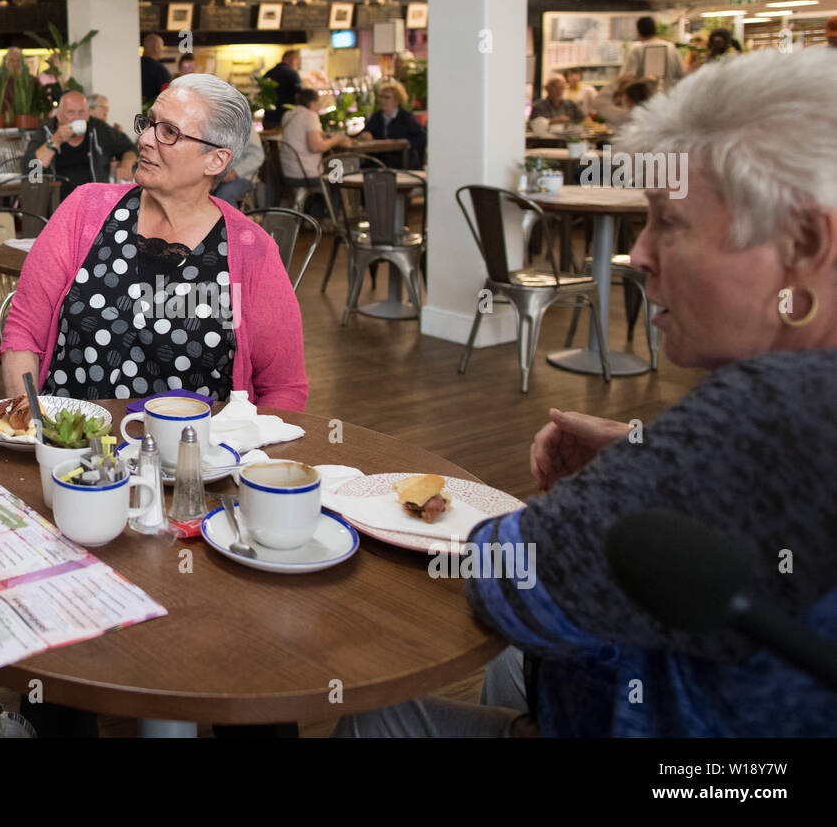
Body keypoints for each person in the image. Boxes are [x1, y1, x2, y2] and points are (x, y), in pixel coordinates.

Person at [334, 46, 837, 737]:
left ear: (806, 240)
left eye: (670, 221)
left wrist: (649, 472)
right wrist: (651, 453)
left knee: (375, 720)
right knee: (513, 672)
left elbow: (508, 584)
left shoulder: (773, 406)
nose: (641, 255)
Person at [2, 73, 308, 408]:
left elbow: (283, 387)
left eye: (168, 132)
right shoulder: (83, 209)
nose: (146, 139)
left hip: (194, 455)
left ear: (215, 160)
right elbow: (24, 333)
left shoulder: (253, 252)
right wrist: (30, 429)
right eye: (149, 124)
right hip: (71, 448)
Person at [24, 90, 137, 199]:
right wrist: (55, 141)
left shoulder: (98, 128)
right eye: (71, 112)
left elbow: (129, 148)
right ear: (59, 115)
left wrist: (126, 163)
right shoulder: (46, 131)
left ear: (88, 115)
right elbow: (31, 169)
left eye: (82, 112)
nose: (77, 117)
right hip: (57, 205)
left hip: (96, 202)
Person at [280, 88, 351, 187]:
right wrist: (338, 139)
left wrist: (323, 135)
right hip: (306, 174)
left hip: (289, 172)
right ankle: (333, 201)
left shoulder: (287, 115)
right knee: (340, 171)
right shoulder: (310, 115)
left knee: (333, 168)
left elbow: (300, 133)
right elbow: (316, 147)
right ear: (313, 103)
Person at [614, 15, 683, 104]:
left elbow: (626, 78)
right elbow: (681, 75)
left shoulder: (636, 49)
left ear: (638, 31)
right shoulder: (671, 48)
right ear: (655, 29)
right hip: (668, 102)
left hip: (642, 104)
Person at [358, 79, 427, 169]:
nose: (383, 100)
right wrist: (365, 135)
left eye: (387, 97)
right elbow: (366, 132)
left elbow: (421, 137)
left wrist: (406, 144)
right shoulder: (376, 117)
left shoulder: (406, 117)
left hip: (402, 163)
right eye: (381, 97)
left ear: (397, 101)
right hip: (379, 163)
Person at [212, 125, 264, 207]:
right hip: (217, 174)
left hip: (243, 176)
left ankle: (231, 219)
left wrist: (236, 171)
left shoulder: (245, 125)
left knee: (224, 194)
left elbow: (257, 156)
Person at [262, 49, 302, 130]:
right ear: (293, 60)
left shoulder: (269, 73)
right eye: (297, 60)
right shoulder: (292, 73)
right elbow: (299, 95)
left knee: (271, 141)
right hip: (286, 118)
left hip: (269, 118)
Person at [140, 33, 172, 102]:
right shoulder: (161, 71)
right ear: (156, 48)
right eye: (161, 47)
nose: (162, 50)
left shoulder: (134, 66)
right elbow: (167, 98)